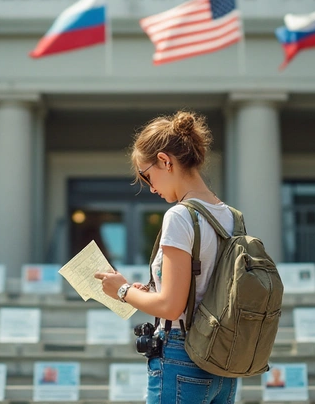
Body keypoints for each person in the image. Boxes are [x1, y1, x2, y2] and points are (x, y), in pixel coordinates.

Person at [95, 110, 238, 404]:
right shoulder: (230, 216)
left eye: (146, 176)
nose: (150, 187)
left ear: (164, 160)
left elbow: (171, 307)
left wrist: (121, 291)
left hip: (181, 355)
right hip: (223, 360)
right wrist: (149, 291)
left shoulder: (180, 216)